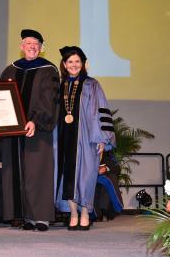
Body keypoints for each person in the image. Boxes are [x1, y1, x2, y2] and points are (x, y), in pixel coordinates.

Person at [0, 29, 60, 231]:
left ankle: (41, 217)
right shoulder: (10, 70)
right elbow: (0, 98)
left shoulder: (49, 70)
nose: (32, 46)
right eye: (28, 43)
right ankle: (25, 216)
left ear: (41, 49)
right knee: (17, 172)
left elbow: (49, 101)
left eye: (36, 44)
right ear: (21, 46)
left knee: (38, 172)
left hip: (37, 130)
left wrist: (35, 120)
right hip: (13, 132)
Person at [55, 46, 116, 231]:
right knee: (67, 177)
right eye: (70, 61)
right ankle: (73, 213)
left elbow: (101, 111)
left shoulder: (92, 85)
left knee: (86, 177)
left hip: (87, 139)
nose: (74, 65)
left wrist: (102, 139)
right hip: (63, 139)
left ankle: (84, 212)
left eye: (77, 61)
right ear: (64, 64)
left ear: (84, 64)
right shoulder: (60, 86)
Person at [93, 150, 123, 221]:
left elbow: (117, 168)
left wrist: (105, 168)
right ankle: (96, 214)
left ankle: (105, 211)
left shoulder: (106, 154)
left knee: (110, 179)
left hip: (102, 178)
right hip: (86, 178)